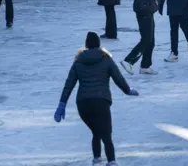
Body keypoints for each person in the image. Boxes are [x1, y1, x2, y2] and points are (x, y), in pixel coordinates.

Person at [54, 32, 139, 166]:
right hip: (101, 102)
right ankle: (111, 161)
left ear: (86, 44)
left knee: (97, 132)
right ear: (99, 44)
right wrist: (128, 90)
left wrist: (62, 103)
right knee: (105, 134)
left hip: (83, 104)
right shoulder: (106, 59)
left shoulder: (78, 61)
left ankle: (97, 159)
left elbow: (69, 84)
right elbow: (118, 78)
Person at [120, 0, 164, 75]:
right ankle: (128, 61)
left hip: (147, 10)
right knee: (146, 39)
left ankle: (145, 66)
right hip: (143, 11)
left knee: (151, 40)